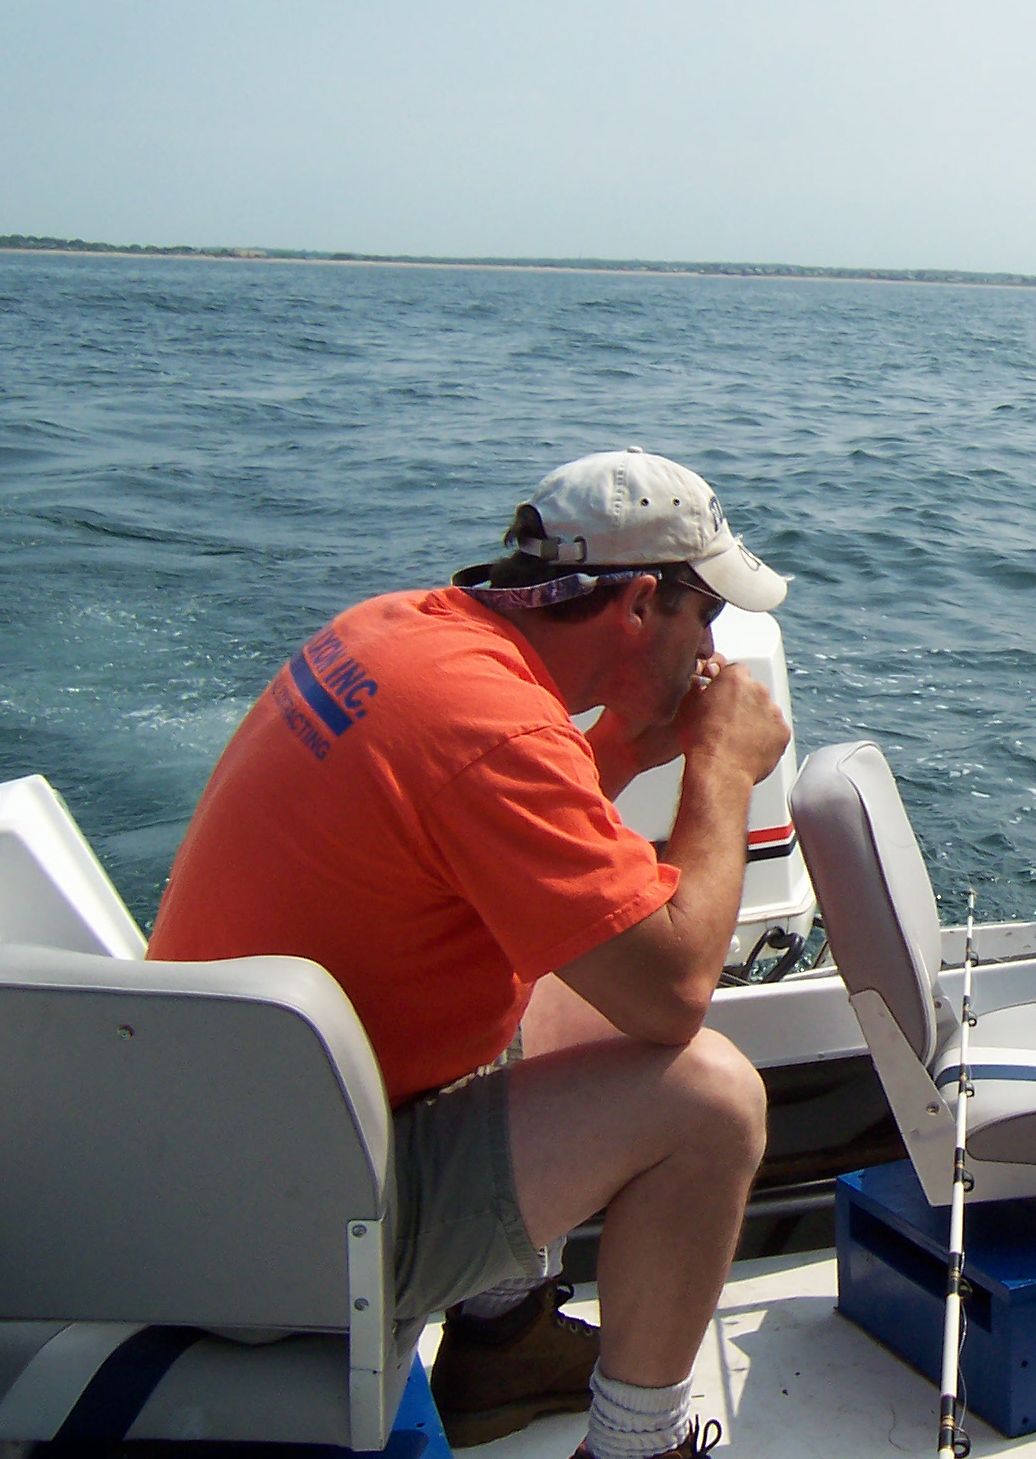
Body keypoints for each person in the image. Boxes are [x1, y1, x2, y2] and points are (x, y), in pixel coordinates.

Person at [150, 447, 797, 1459]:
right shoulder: (493, 734)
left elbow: (469, 812)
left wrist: (625, 747)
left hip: (198, 1147)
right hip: (283, 1234)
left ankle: (501, 1340)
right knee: (711, 1103)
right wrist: (722, 770)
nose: (708, 642)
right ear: (635, 608)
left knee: (564, 977)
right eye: (702, 613)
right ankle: (635, 1446)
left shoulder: (399, 635)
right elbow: (674, 991)